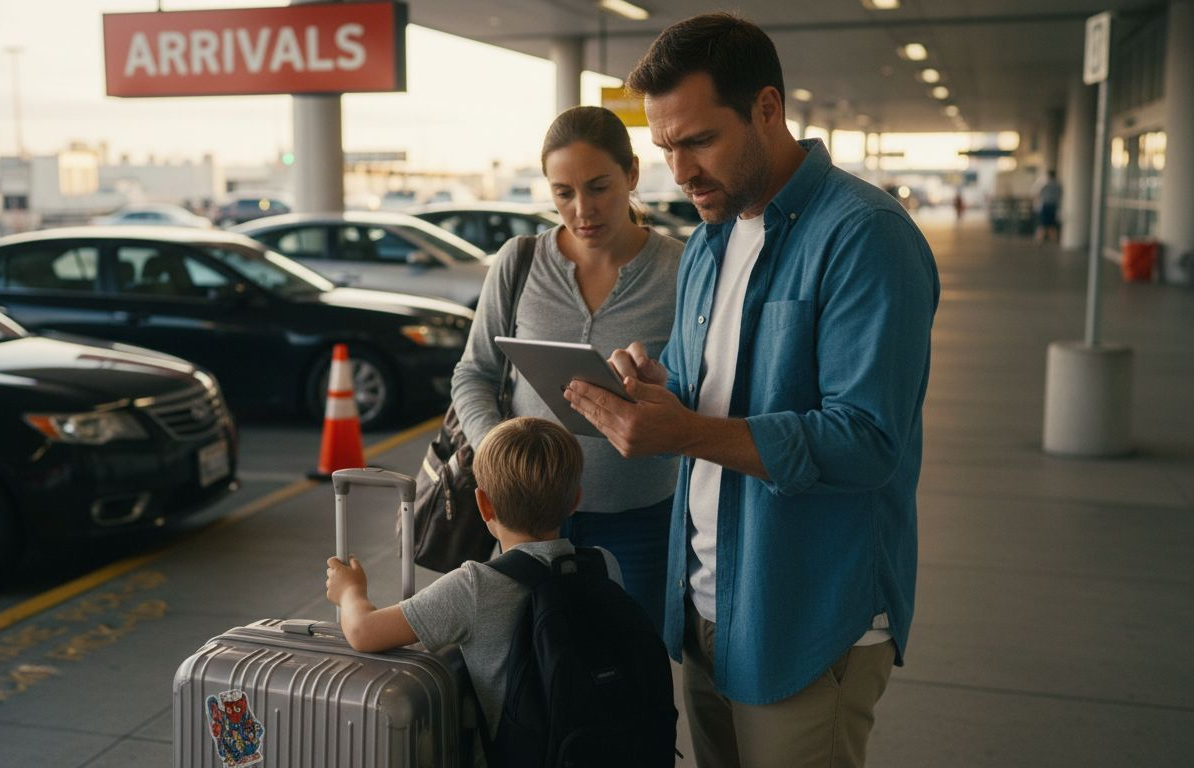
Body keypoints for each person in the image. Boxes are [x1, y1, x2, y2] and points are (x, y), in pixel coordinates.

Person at [563, 13, 940, 768]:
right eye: (667, 147)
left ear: (768, 108)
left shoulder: (864, 235)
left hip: (806, 618)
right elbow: (726, 389)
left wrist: (683, 433)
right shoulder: (711, 241)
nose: (681, 170)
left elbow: (867, 441)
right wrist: (660, 384)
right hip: (707, 608)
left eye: (699, 140)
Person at [451, 105, 683, 633]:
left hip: (639, 520)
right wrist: (499, 458)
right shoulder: (520, 260)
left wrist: (663, 393)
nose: (582, 210)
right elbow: (474, 374)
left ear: (632, 174)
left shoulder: (681, 269)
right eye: (563, 193)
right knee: (526, 685)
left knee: (629, 683)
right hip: (527, 523)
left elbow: (703, 393)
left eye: (599, 187)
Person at [325, 416, 622, 766]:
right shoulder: (604, 565)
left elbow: (363, 631)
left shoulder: (475, 586)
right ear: (575, 500)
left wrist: (350, 592)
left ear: (484, 505)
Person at [1035, 170, 1063, 242]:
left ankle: (1040, 239)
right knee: (1052, 223)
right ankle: (1053, 239)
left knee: (1043, 223)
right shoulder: (1058, 185)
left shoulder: (1046, 185)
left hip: (1046, 205)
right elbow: (1060, 195)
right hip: (1054, 205)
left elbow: (1039, 194)